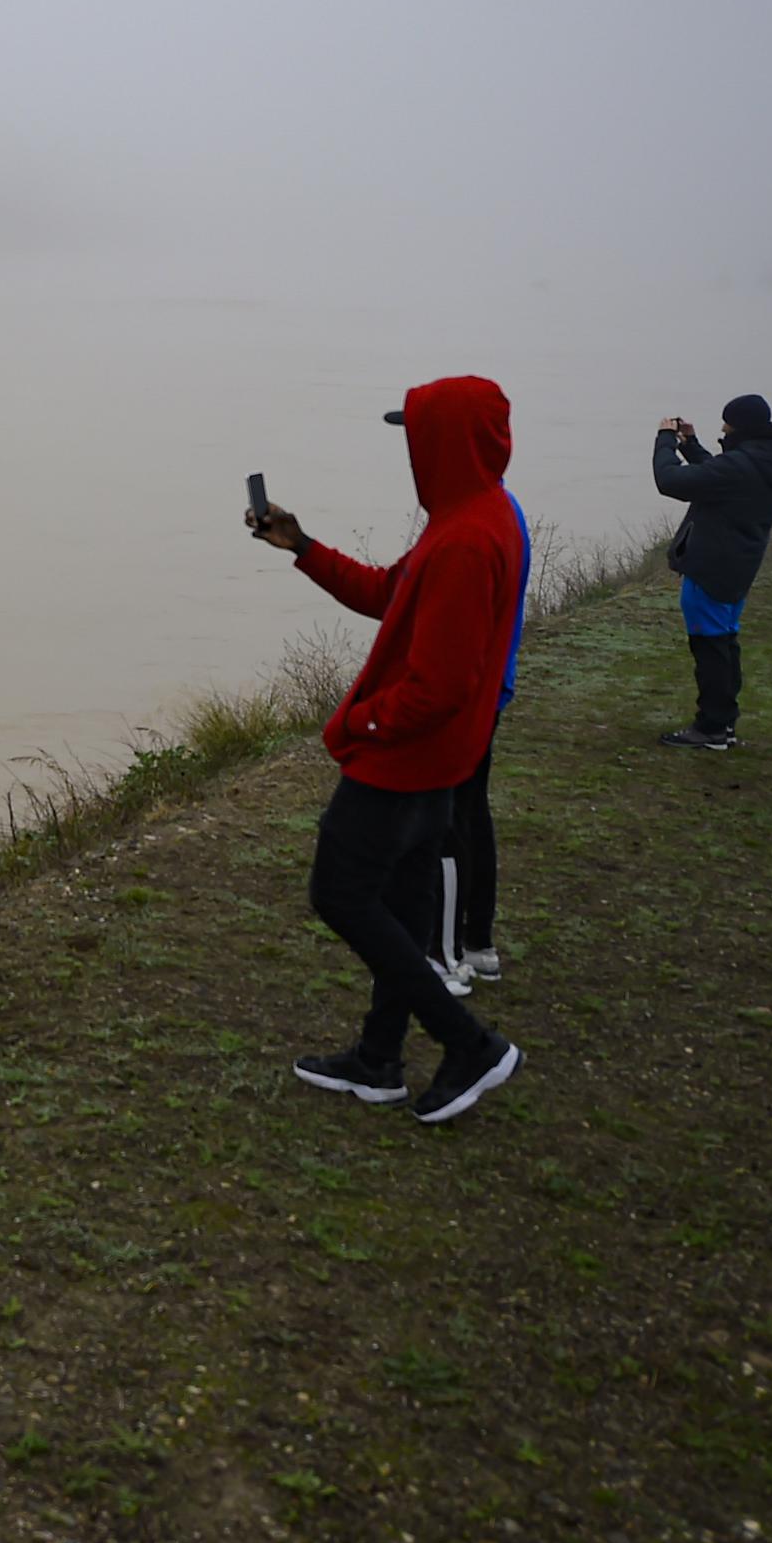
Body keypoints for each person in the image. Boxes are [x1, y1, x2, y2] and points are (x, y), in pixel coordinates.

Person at [249, 376, 526, 1124]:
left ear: (450, 440)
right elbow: (386, 593)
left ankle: (468, 1042)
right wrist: (302, 546)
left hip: (405, 761)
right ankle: (378, 1059)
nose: (409, 444)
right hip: (438, 762)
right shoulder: (470, 516)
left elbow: (438, 686)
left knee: (339, 893)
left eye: (416, 430)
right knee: (401, 911)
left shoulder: (468, 539)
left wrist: (354, 725)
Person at [650, 394, 772, 749]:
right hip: (738, 563)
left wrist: (664, 440)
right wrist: (691, 445)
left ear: (743, 427)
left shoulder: (741, 466)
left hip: (711, 565)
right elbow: (717, 477)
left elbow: (670, 481)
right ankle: (724, 723)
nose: (723, 428)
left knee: (710, 648)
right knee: (724, 643)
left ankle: (712, 727)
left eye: (728, 424)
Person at [436, 481, 530, 991]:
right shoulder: (489, 506)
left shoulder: (475, 521)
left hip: (465, 695)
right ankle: (476, 943)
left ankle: (450, 957)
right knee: (468, 810)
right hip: (482, 688)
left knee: (449, 821)